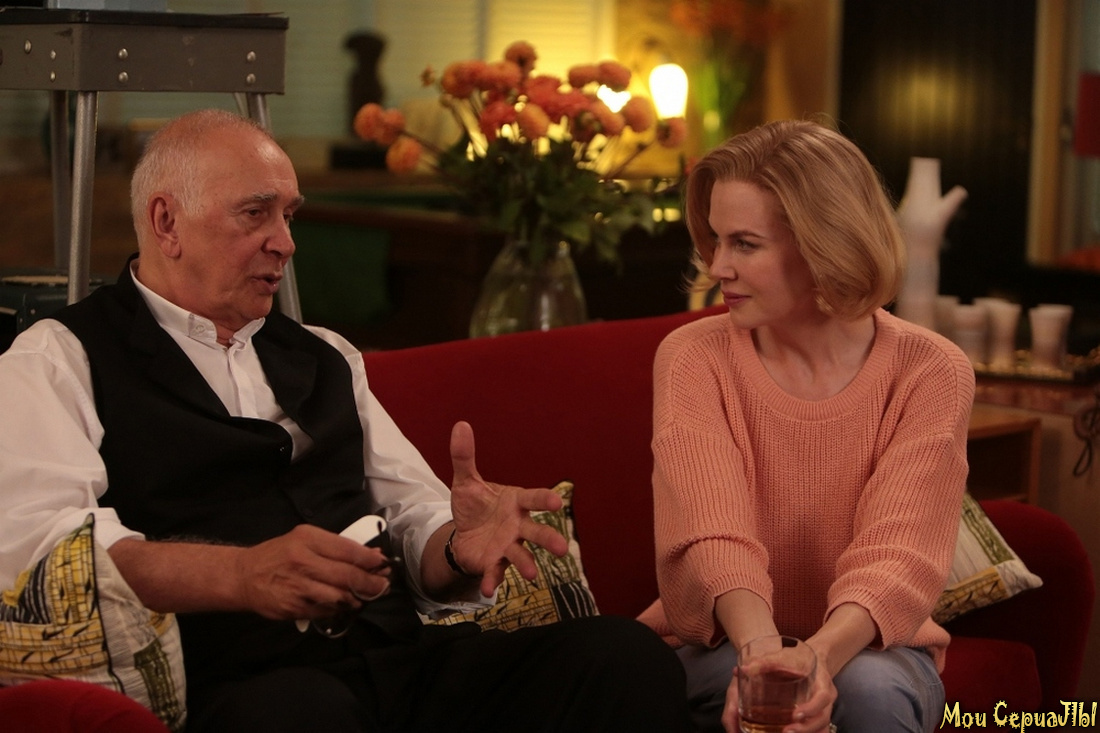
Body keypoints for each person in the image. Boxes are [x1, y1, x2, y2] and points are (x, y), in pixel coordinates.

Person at [0, 108, 689, 732]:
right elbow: (49, 549)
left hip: (400, 664)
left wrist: (456, 547)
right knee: (301, 716)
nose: (285, 242)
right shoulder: (60, 357)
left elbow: (412, 516)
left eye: (289, 216)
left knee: (621, 656)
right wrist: (243, 575)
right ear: (166, 223)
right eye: (255, 214)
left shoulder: (326, 354)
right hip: (245, 683)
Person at [640, 120, 974, 733]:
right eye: (715, 240)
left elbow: (898, 555)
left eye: (745, 244)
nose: (718, 267)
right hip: (723, 642)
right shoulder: (692, 357)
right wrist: (764, 658)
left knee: (868, 692)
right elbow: (712, 537)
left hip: (873, 646)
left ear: (826, 245)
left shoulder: (932, 370)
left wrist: (817, 656)